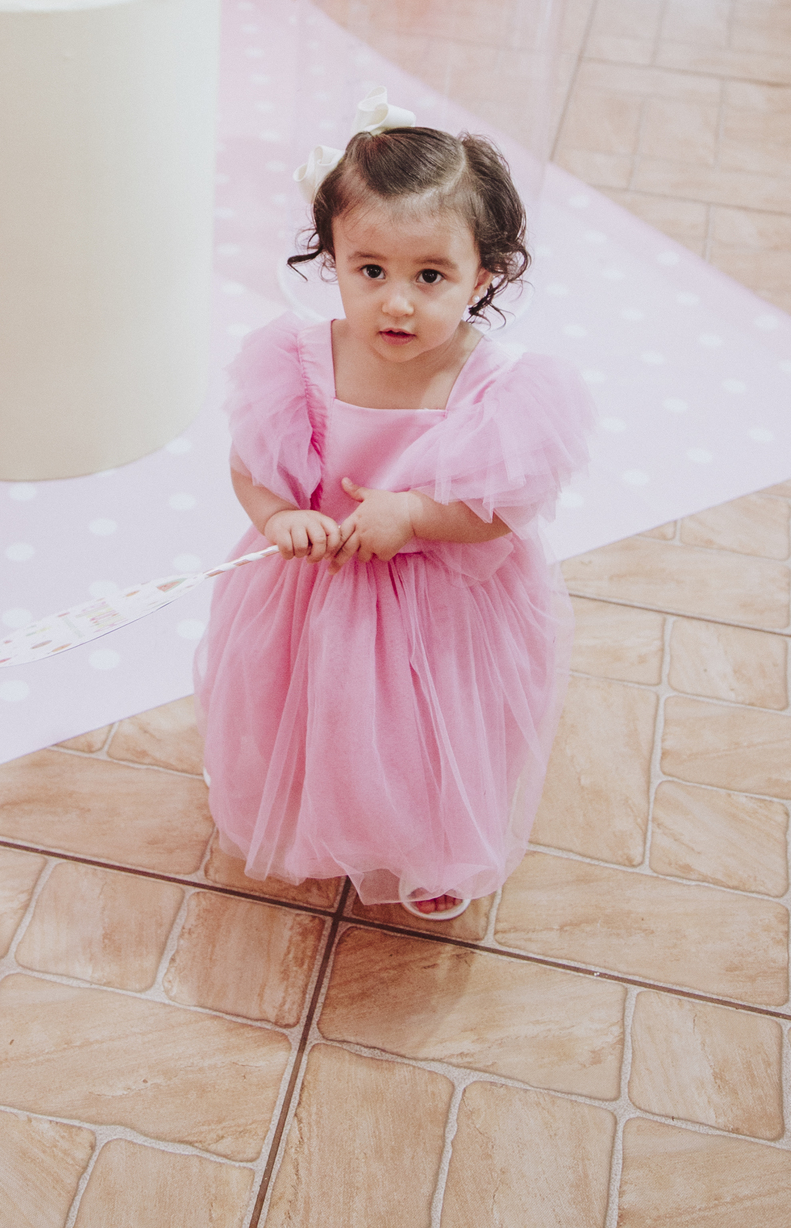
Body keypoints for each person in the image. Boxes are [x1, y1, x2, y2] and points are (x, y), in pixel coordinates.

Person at [195, 105, 593, 920]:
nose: (397, 304)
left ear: (483, 276)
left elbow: (500, 511)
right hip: (315, 589)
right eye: (369, 270)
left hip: (439, 603)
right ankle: (318, 817)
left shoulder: (499, 387)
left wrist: (413, 516)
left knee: (427, 735)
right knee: (318, 716)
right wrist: (279, 519)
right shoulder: (297, 361)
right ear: (332, 260)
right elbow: (249, 466)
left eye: (430, 277)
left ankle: (429, 846)